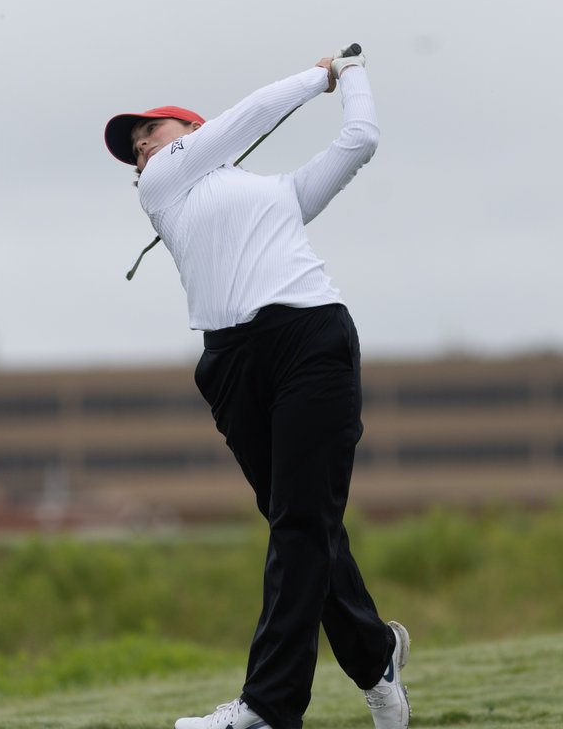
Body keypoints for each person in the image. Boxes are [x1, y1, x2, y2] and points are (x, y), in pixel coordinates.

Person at [103, 48, 409, 729]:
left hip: (311, 340)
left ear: (193, 128)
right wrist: (318, 78)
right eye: (134, 147)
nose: (141, 147)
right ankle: (375, 653)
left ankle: (268, 708)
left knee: (300, 523)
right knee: (301, 522)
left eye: (150, 131)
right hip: (231, 363)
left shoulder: (280, 193)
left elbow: (360, 139)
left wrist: (349, 75)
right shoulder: (164, 188)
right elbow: (249, 118)